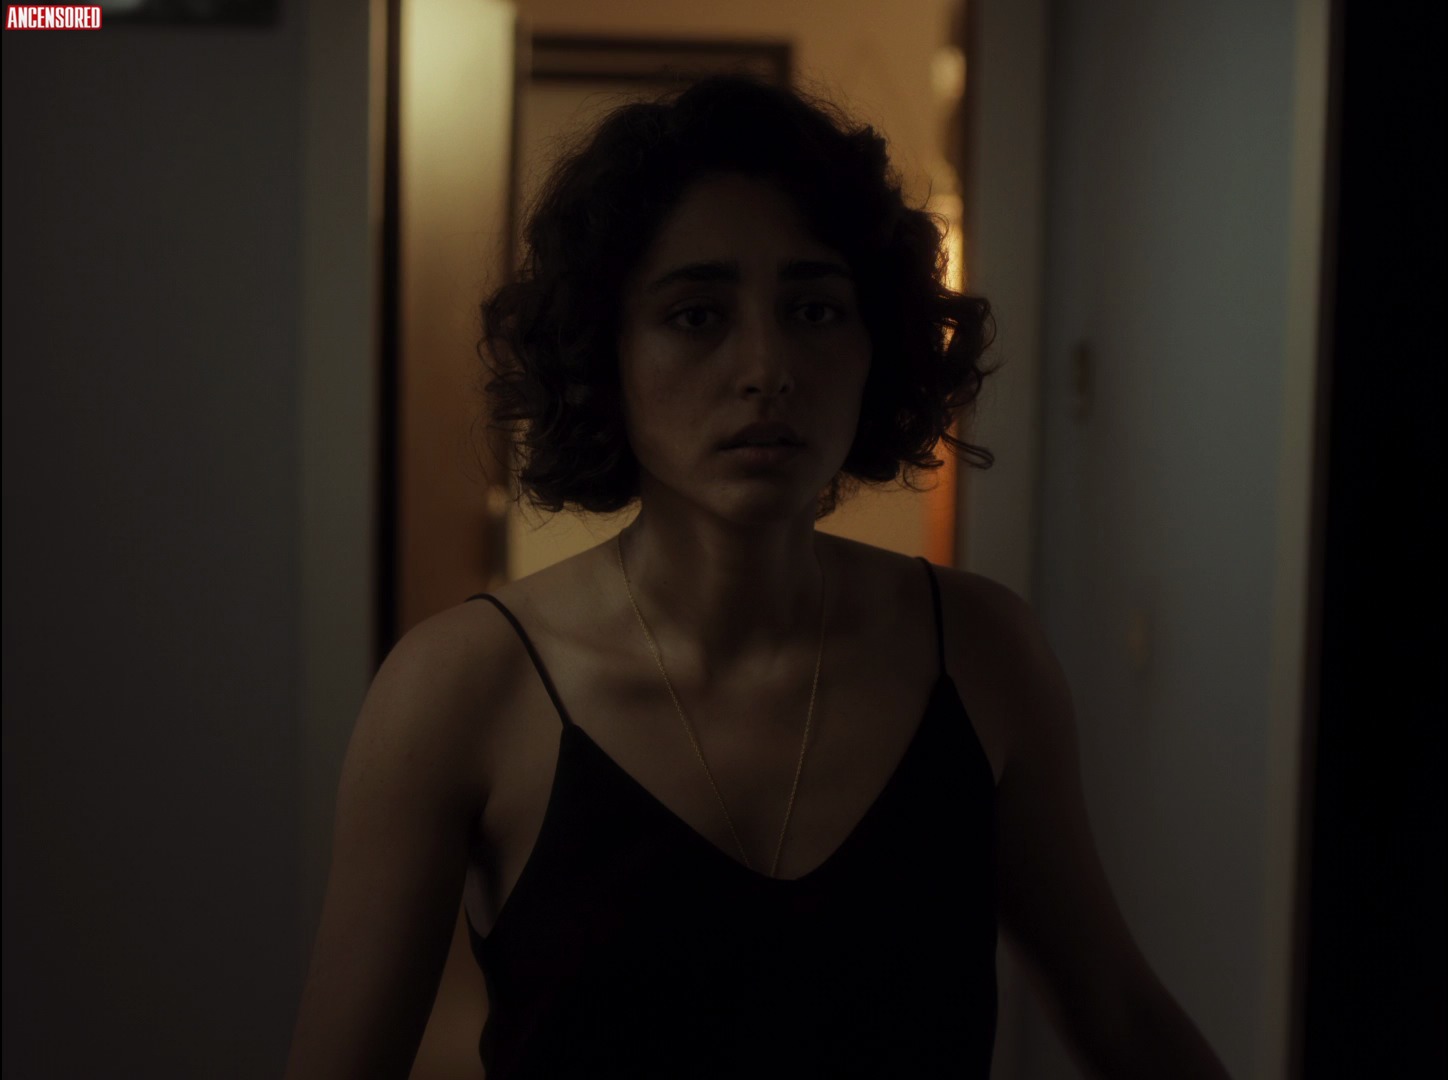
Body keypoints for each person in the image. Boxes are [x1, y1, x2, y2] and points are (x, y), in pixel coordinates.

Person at [285, 75, 1230, 1079]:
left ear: (875, 345)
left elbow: (1118, 1013)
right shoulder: (463, 687)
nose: (767, 367)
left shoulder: (983, 651)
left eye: (814, 309)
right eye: (697, 315)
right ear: (605, 353)